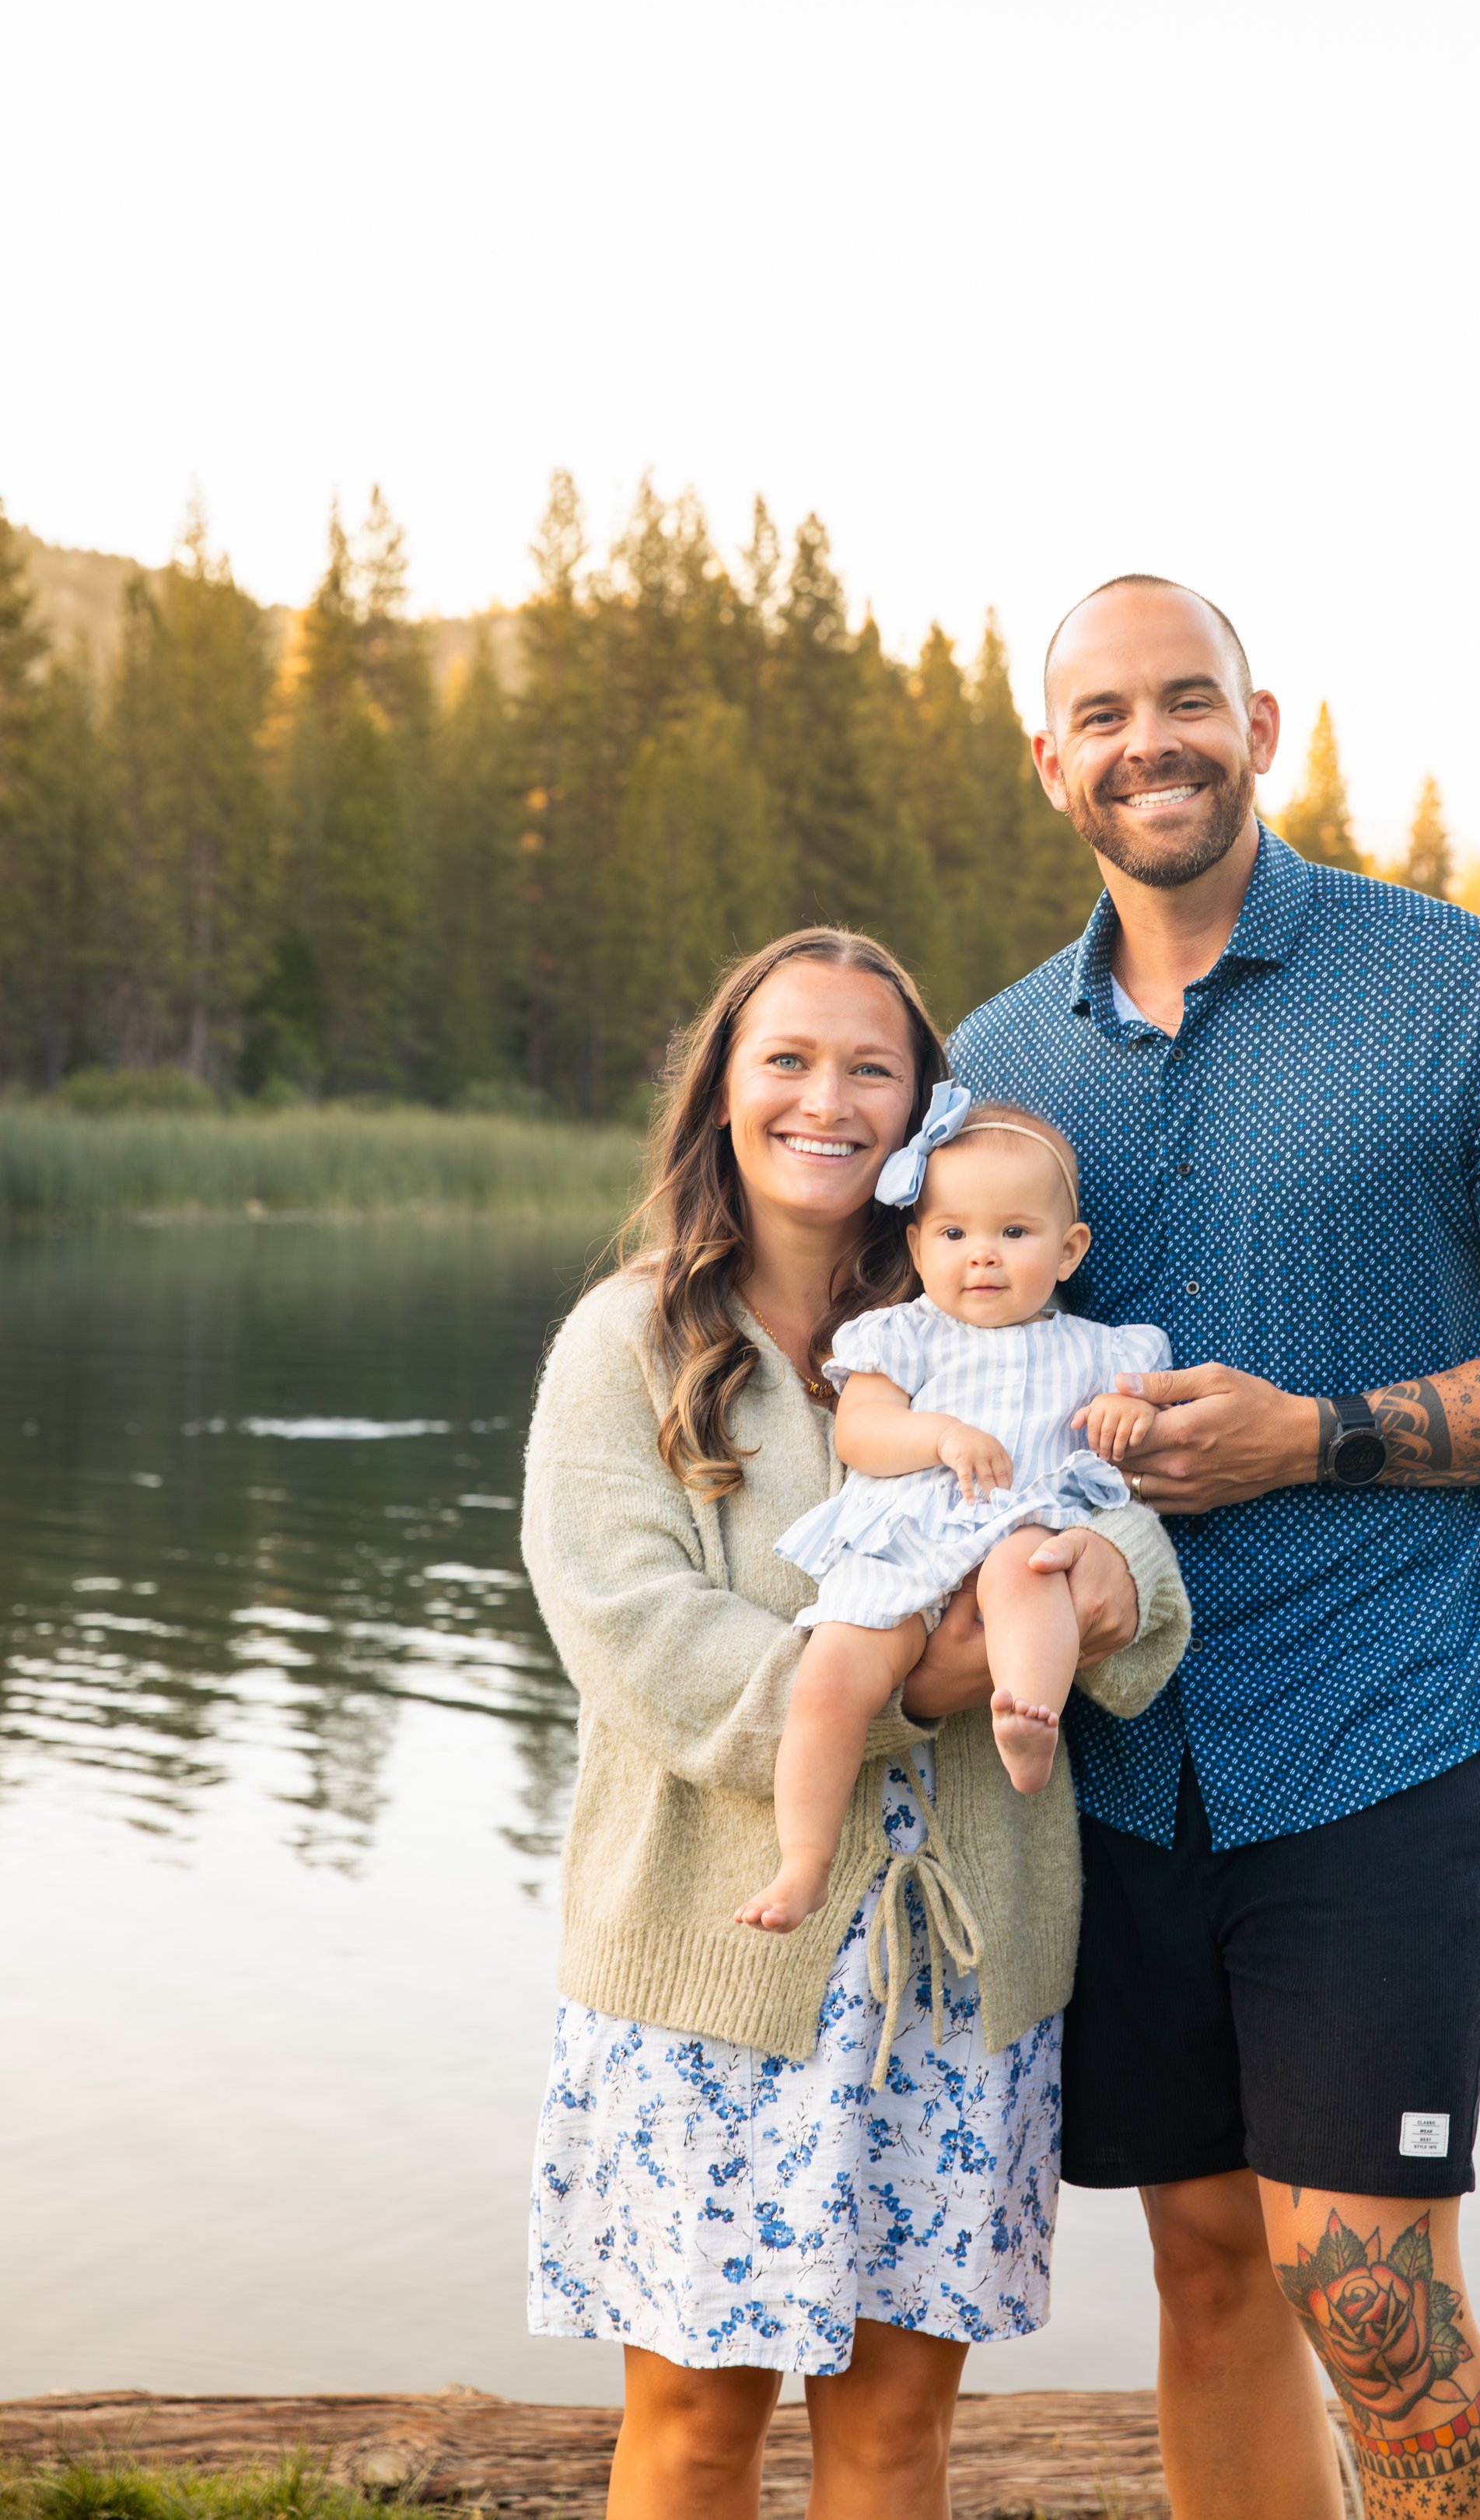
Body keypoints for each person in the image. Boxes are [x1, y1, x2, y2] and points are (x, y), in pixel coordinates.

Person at [950, 576, 1480, 2520]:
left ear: (1260, 721)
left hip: (1373, 1734)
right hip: (1109, 1759)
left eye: (1185, 699)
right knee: (1204, 2268)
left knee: (1368, 2289)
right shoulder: (1001, 1056)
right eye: (1102, 713)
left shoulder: (1463, 987)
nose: (1150, 741)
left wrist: (1326, 1432)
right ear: (1054, 761)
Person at [521, 926, 1188, 2520]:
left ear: (917, 1116)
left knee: (895, 2442)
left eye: (868, 1068)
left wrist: (1094, 1573)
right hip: (713, 1969)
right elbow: (639, 1642)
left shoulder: (995, 1299)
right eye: (788, 1062)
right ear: (723, 1094)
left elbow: (1129, 1545)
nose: (827, 1100)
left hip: (956, 1980)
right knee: (692, 2431)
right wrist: (910, 1689)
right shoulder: (628, 1345)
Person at [736, 1087, 1171, 1931]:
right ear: (916, 1242)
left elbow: (1142, 1427)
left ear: (1069, 1249)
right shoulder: (902, 1335)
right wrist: (934, 1434)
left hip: (1017, 1523)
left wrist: (1133, 1414)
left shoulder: (1101, 1350)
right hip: (906, 1546)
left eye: (1014, 1233)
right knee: (830, 1678)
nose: (983, 1256)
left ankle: (1028, 1713)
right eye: (954, 1233)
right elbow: (861, 1434)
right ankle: (802, 1861)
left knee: (1031, 1570)